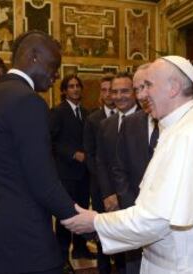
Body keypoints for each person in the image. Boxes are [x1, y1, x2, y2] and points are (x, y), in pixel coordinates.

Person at [62, 56, 193, 274]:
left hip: (189, 265)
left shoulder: (188, 135)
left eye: (148, 85)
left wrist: (96, 222)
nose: (141, 94)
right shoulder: (183, 125)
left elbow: (156, 219)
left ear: (173, 87)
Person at [0, 30, 76, 274]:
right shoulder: (27, 101)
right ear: (34, 56)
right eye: (54, 65)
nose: (56, 75)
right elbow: (42, 180)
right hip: (24, 247)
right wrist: (84, 221)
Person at [112, 63, 158, 274]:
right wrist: (130, 204)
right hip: (133, 213)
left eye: (146, 87)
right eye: (137, 89)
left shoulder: (180, 125)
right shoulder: (130, 123)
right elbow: (119, 168)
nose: (141, 95)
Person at [96, 71, 139, 274]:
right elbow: (101, 161)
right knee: (120, 253)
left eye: (125, 91)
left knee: (139, 253)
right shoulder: (106, 125)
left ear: (135, 92)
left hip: (140, 199)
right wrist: (108, 193)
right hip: (113, 200)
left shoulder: (149, 119)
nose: (119, 96)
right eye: (115, 92)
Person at [50, 74, 93, 267]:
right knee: (66, 214)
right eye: (71, 86)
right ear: (64, 91)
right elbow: (51, 140)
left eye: (78, 86)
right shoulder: (58, 112)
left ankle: (81, 248)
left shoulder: (86, 112)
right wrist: (71, 153)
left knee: (83, 211)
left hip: (84, 174)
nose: (75, 89)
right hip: (66, 173)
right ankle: (61, 254)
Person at [83, 74, 116, 274]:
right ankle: (103, 269)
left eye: (110, 90)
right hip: (100, 186)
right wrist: (104, 184)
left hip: (123, 186)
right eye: (103, 90)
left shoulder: (131, 116)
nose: (107, 94)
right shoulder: (93, 119)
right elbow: (90, 154)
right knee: (102, 230)